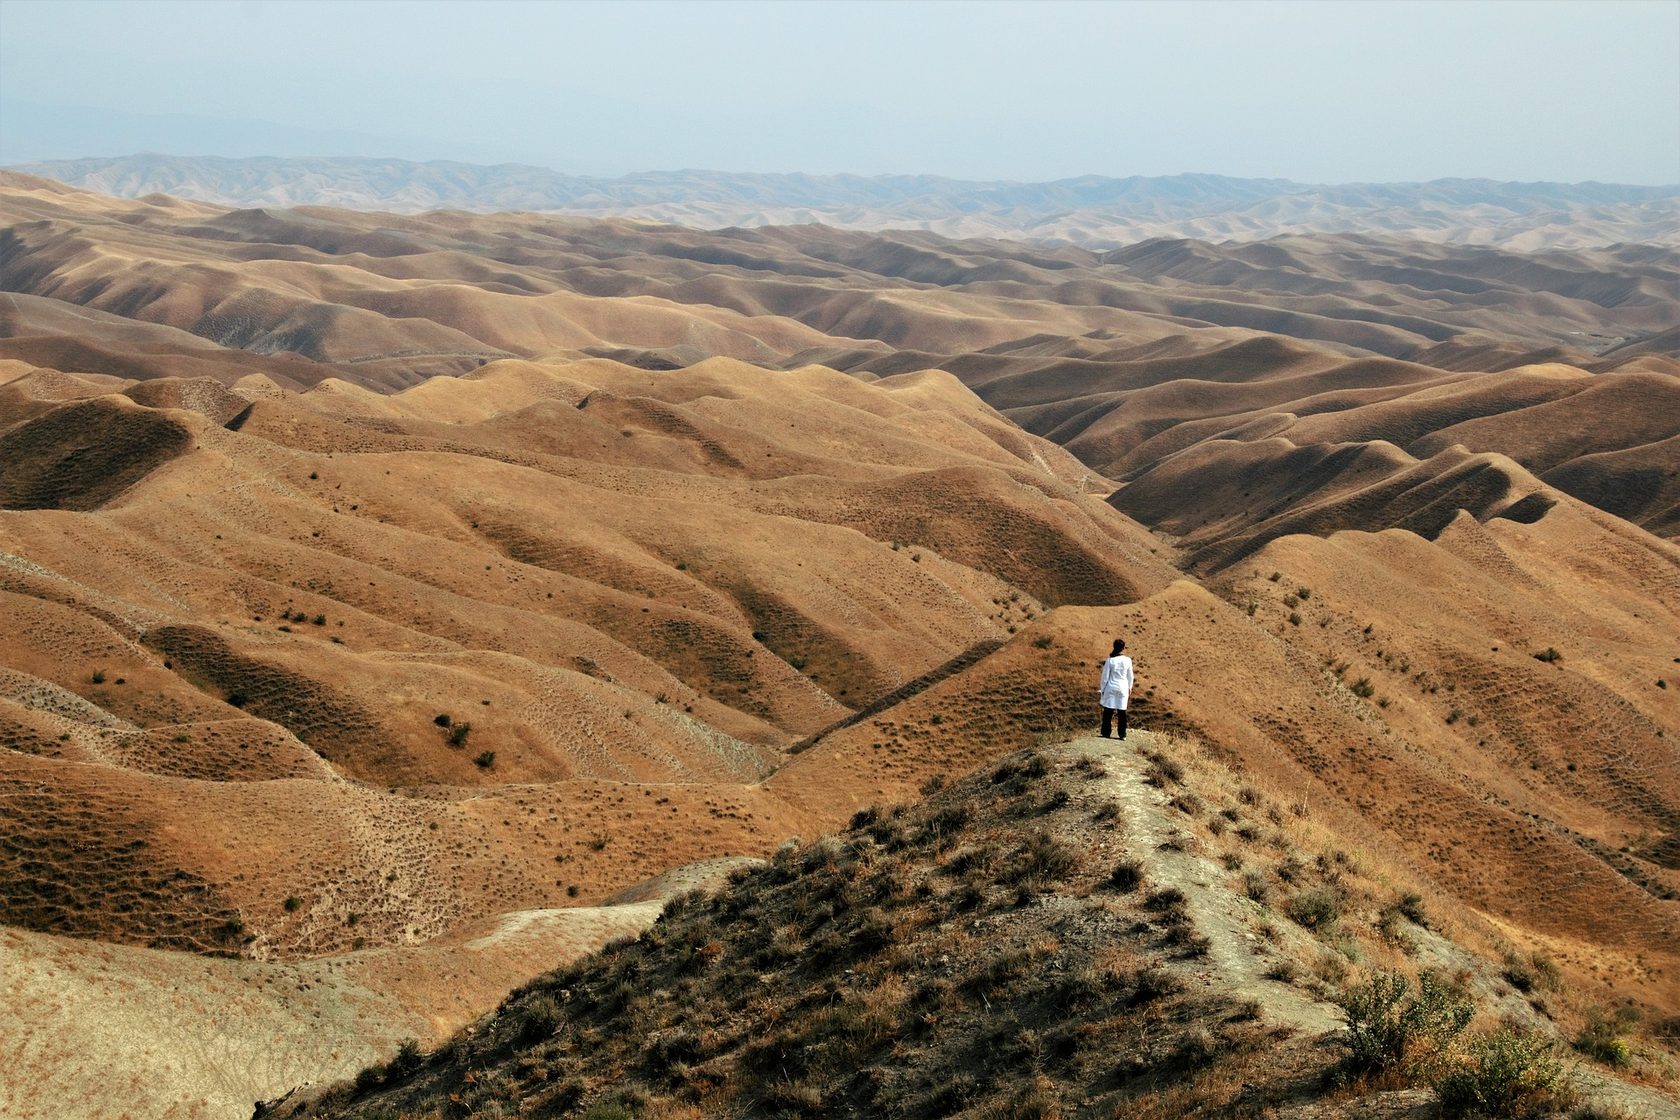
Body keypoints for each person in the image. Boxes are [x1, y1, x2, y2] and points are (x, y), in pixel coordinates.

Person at [1099, 638, 1133, 739]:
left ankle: (1106, 732)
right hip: (1123, 687)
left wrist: (1102, 689)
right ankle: (1122, 734)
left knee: (1108, 712)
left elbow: (1105, 677)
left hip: (1111, 687)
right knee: (1122, 712)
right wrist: (1130, 687)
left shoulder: (1110, 660)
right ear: (1123, 648)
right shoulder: (1128, 660)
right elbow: (1130, 676)